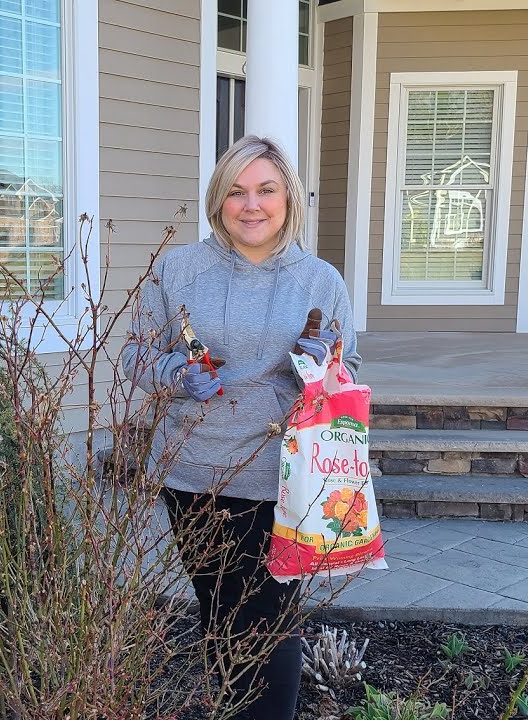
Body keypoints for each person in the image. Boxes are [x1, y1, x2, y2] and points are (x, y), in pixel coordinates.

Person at [120, 135, 361, 719]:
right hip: (193, 469)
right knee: (220, 612)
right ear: (217, 200)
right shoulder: (179, 270)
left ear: (288, 199)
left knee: (273, 618)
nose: (251, 205)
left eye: (266, 190)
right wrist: (178, 373)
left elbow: (346, 371)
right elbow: (135, 355)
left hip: (283, 472)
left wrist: (321, 363)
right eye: (237, 191)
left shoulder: (320, 280)